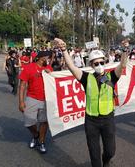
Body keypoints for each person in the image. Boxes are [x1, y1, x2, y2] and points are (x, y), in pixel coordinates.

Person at [54, 38, 127, 167]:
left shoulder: (111, 77)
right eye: (96, 63)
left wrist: (125, 50)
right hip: (91, 121)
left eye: (101, 62)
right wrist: (64, 50)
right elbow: (71, 66)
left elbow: (122, 65)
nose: (99, 65)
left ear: (104, 62)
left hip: (107, 119)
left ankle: (106, 161)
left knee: (110, 151)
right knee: (94, 154)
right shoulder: (86, 78)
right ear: (91, 65)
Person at [18, 51, 53, 154]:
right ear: (40, 58)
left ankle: (41, 141)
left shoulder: (49, 68)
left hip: (46, 99)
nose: (48, 60)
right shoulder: (29, 68)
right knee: (28, 122)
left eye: (49, 58)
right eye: (47, 58)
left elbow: (54, 84)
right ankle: (36, 135)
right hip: (32, 98)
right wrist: (21, 102)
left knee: (43, 121)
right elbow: (22, 86)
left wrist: (50, 74)